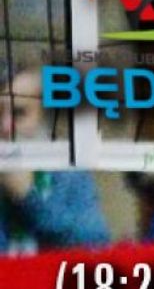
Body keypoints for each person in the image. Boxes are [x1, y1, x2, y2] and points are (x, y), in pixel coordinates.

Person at [1, 66, 111, 252]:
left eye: (19, 113)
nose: (5, 127)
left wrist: (28, 198)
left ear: (44, 117)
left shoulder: (68, 172)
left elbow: (96, 244)